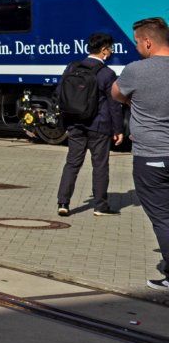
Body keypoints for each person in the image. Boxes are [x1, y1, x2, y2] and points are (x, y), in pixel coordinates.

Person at [112, 17, 169, 291]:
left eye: (136, 42)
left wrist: (135, 99)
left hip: (151, 157)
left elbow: (115, 94)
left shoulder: (136, 71)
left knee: (162, 217)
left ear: (148, 41)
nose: (136, 47)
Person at [55, 33, 124, 217]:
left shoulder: (72, 67)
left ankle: (63, 202)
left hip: (75, 124)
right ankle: (100, 206)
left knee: (72, 163)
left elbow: (59, 93)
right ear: (103, 50)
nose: (110, 52)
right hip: (98, 126)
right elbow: (114, 105)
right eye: (110, 49)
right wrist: (118, 129)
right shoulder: (107, 73)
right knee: (100, 165)